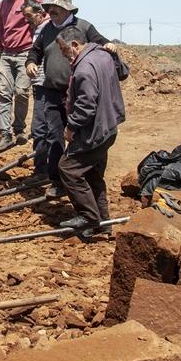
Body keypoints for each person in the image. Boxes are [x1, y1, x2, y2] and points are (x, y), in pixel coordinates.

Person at [25, 0, 114, 197]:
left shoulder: (83, 27)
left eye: (55, 8)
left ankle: (85, 180)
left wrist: (109, 46)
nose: (50, 12)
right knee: (55, 137)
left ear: (67, 9)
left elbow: (100, 44)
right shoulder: (47, 29)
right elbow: (35, 51)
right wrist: (30, 62)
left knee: (80, 137)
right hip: (51, 92)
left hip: (77, 93)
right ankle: (57, 181)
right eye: (49, 8)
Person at [54, 24, 126, 238]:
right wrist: (115, 54)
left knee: (68, 169)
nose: (64, 56)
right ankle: (102, 224)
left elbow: (87, 105)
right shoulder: (103, 55)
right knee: (93, 174)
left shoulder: (85, 68)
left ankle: (88, 216)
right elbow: (124, 72)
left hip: (94, 132)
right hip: (109, 128)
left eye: (64, 50)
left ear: (75, 45)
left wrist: (71, 126)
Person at [0, 0, 32, 152]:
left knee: (21, 92)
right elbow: (0, 29)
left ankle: (19, 129)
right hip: (7, 55)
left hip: (25, 53)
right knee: (4, 94)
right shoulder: (2, 5)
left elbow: (44, 16)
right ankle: (5, 133)